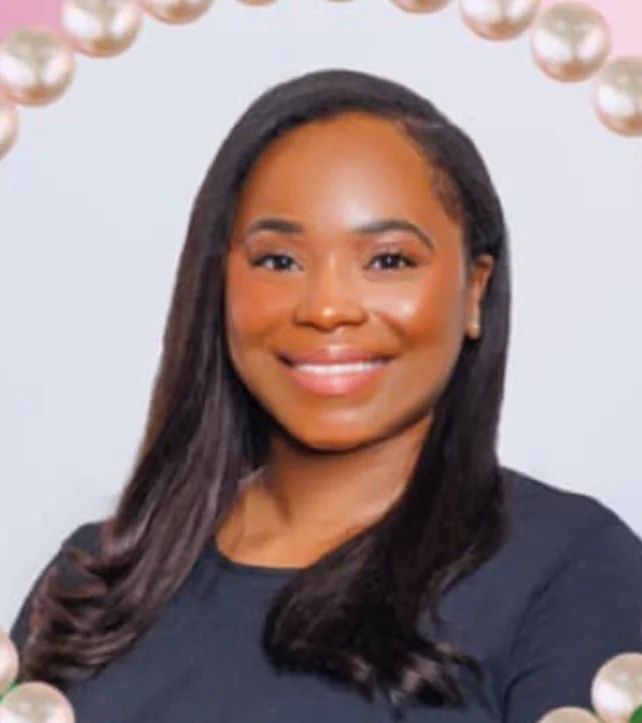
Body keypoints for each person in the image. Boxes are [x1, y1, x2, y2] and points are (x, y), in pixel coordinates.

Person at [9, 69, 642, 723]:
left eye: (389, 260)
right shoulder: (94, 583)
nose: (327, 307)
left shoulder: (572, 569)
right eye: (279, 260)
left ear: (475, 289)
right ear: (219, 282)